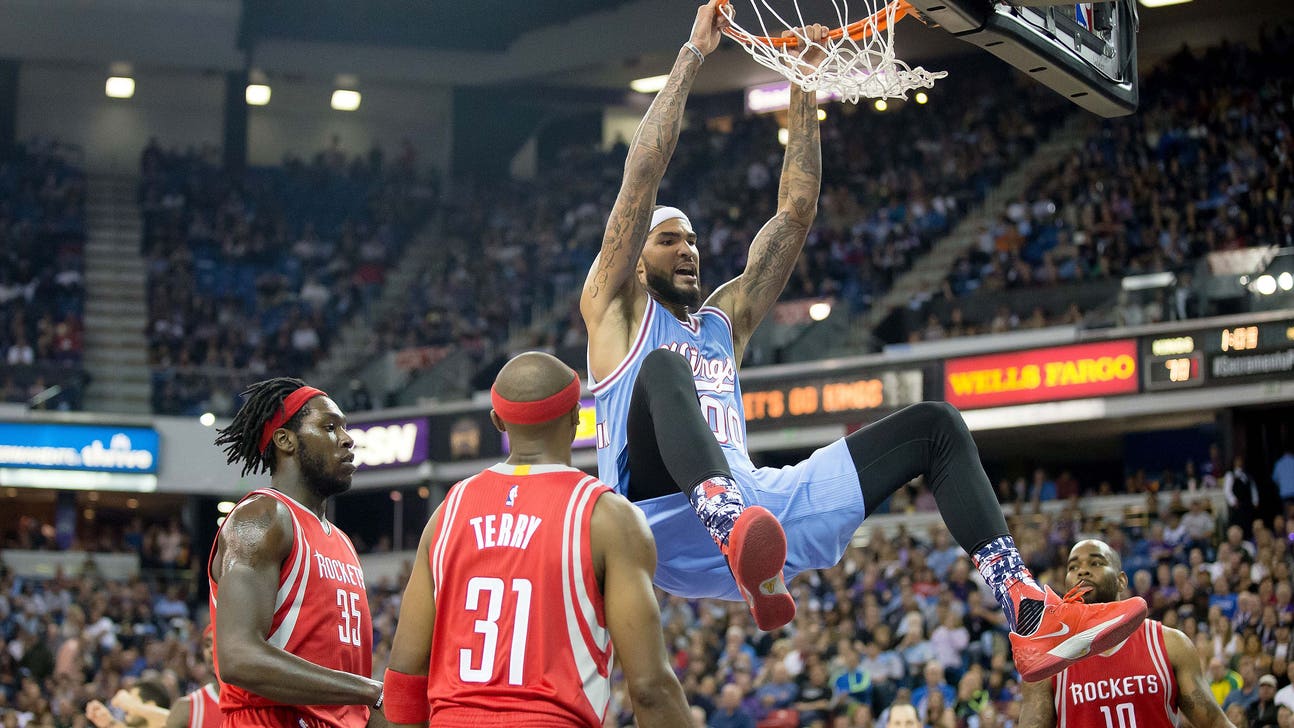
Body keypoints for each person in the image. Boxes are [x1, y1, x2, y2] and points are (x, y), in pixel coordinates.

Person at [580, 0, 1146, 681]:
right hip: (653, 520)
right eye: (670, 240)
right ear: (635, 254)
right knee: (664, 372)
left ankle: (1026, 610)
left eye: (695, 240)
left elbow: (795, 212)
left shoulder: (724, 323)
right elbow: (641, 175)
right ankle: (734, 530)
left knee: (935, 426)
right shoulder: (614, 309)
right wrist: (693, 55)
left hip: (761, 512)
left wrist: (802, 81)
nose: (689, 250)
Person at [382, 352, 691, 727]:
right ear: (578, 415)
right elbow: (649, 689)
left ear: (497, 420)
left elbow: (404, 674)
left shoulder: (447, 513)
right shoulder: (608, 517)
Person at [208, 377, 382, 727]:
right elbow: (238, 658)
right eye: (329, 427)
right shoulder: (262, 517)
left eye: (345, 428)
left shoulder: (342, 541)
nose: (347, 439)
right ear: (285, 440)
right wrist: (371, 691)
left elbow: (350, 699)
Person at [1018, 539, 1236, 728]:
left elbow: (1215, 723)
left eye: (1096, 563)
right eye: (1073, 567)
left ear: (1121, 580)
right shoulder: (1049, 660)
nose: (1082, 571)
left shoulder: (1169, 643)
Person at [102, 627, 222, 728]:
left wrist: (134, 706)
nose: (211, 650)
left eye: (217, 641)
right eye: (207, 644)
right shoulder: (191, 706)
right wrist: (110, 723)